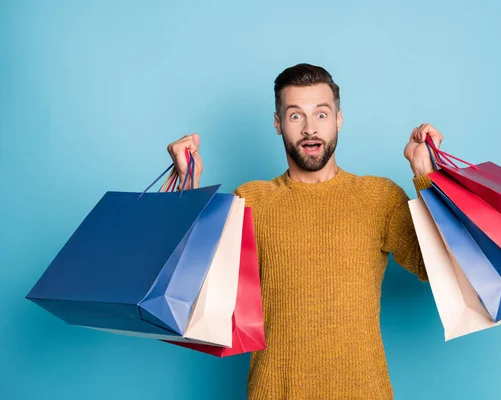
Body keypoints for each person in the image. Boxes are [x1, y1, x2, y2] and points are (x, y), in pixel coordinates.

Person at [166, 63, 443, 399]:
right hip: (274, 391)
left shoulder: (378, 197)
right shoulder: (250, 199)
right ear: (278, 123)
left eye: (322, 114)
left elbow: (439, 267)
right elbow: (191, 281)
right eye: (296, 116)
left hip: (364, 391)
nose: (310, 128)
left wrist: (426, 174)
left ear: (339, 118)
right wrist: (187, 184)